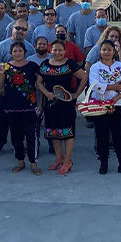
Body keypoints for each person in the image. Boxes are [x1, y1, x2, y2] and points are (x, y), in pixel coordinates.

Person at [36, 40, 88, 174]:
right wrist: (46, 93)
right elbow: (39, 82)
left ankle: (67, 160)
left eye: (60, 50)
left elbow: (84, 77)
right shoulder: (45, 65)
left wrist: (77, 93)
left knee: (67, 132)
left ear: (64, 51)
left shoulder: (70, 64)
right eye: (55, 50)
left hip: (66, 103)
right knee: (54, 132)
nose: (57, 52)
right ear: (50, 51)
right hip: (50, 104)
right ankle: (59, 158)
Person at [87, 41, 121, 175]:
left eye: (109, 49)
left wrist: (115, 98)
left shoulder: (120, 66)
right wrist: (113, 87)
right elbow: (95, 85)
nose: (106, 52)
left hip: (117, 105)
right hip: (100, 105)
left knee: (118, 136)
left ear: (114, 51)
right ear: (100, 51)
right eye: (104, 49)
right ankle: (104, 162)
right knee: (101, 134)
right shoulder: (95, 67)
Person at [0, 41, 41, 175]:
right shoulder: (6, 67)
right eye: (15, 51)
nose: (17, 53)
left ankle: (33, 162)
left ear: (25, 52)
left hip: (30, 107)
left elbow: (40, 85)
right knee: (16, 136)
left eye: (20, 51)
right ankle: (20, 161)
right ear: (11, 53)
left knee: (32, 136)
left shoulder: (32, 66)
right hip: (12, 107)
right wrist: (1, 73)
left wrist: (40, 104)